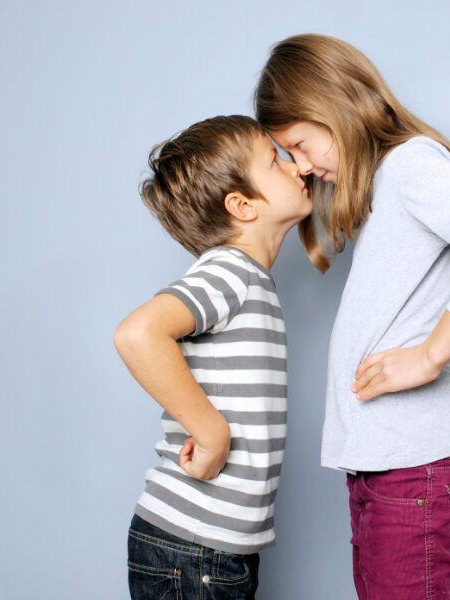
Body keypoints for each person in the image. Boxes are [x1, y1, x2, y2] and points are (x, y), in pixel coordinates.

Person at [254, 34, 450, 599]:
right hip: (393, 465)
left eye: (301, 144)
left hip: (416, 466)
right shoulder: (388, 185)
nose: (305, 168)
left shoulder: (410, 167)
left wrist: (432, 356)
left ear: (331, 104)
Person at [113, 115, 312, 600]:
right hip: (193, 549)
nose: (295, 167)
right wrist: (211, 431)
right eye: (276, 160)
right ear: (242, 206)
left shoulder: (246, 277)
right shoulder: (231, 271)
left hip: (212, 549)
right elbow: (138, 333)